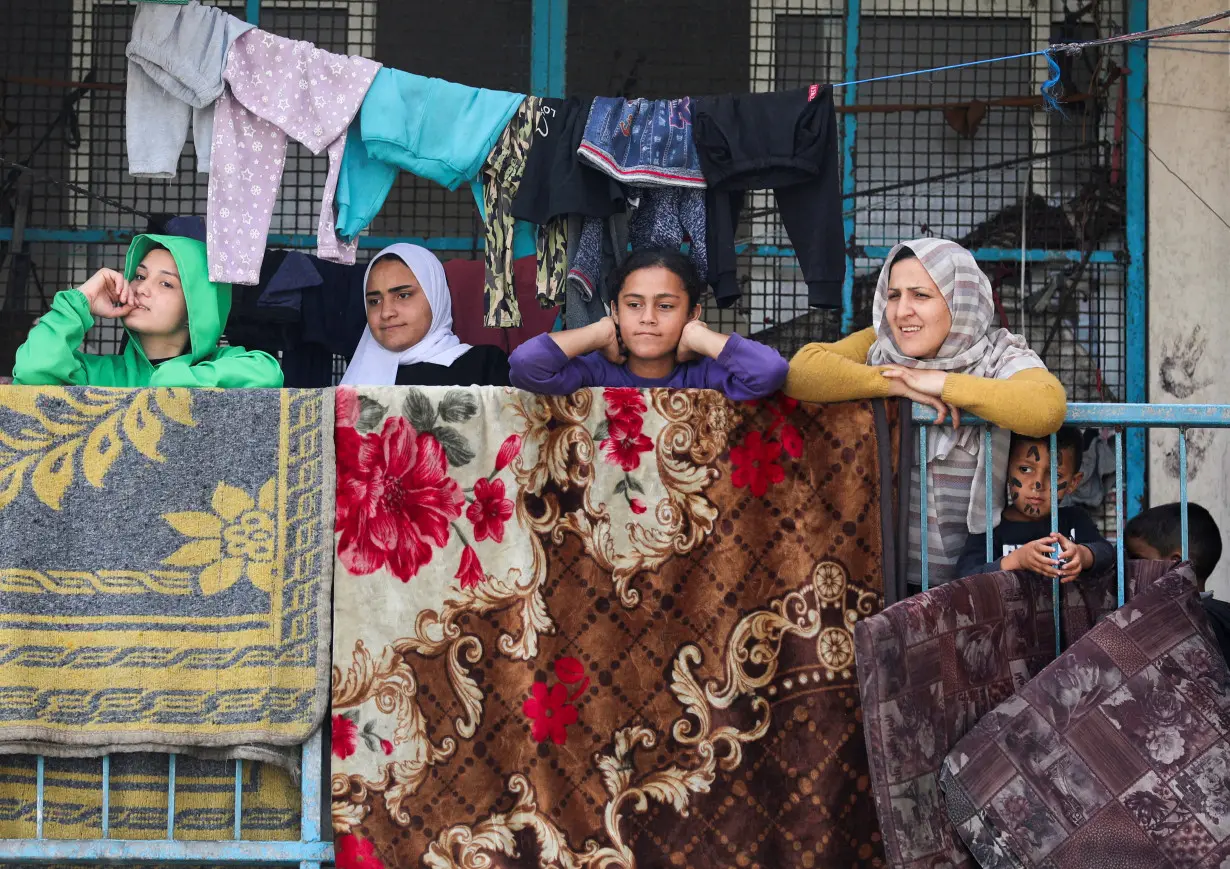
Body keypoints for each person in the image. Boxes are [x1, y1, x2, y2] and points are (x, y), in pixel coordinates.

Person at [786, 238, 1067, 587]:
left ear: (959, 299)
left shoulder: (997, 353)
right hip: (885, 581)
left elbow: (1046, 407)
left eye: (920, 295)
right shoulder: (883, 346)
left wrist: (940, 383)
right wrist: (896, 385)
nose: (902, 311)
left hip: (978, 582)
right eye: (893, 295)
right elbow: (801, 372)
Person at [509, 247, 787, 399]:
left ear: (692, 313)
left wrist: (700, 338)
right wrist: (598, 332)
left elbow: (769, 372)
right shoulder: (594, 372)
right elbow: (525, 366)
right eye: (633, 305)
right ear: (615, 311)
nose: (648, 318)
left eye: (665, 306)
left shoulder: (703, 375)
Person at [13, 234, 282, 387]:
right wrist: (81, 300)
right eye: (139, 276)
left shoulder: (228, 363)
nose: (142, 289)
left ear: (196, 312)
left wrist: (173, 376)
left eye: (166, 283)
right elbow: (33, 368)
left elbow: (269, 374)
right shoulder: (98, 374)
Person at [341, 243, 510, 387]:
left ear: (436, 297)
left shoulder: (485, 366)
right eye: (374, 301)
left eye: (403, 295)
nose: (386, 313)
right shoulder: (359, 374)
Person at [956, 428, 1113, 580]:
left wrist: (1083, 555)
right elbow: (965, 577)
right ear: (1006, 470)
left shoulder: (1074, 520)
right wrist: (1015, 561)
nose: (1038, 484)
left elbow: (1108, 554)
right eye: (1025, 469)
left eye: (1055, 474)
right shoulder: (989, 525)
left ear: (1073, 482)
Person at [1126, 502, 1229, 663]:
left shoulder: (1185, 622)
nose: (1128, 567)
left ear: (1176, 564)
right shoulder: (1222, 614)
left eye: (1137, 559)